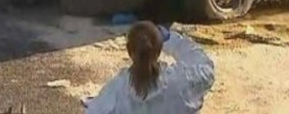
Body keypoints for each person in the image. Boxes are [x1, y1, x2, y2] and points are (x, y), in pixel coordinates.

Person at [84, 21, 216, 113]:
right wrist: (171, 40)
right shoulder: (180, 81)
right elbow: (206, 67)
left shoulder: (117, 90)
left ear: (129, 51)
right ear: (159, 50)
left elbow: (93, 111)